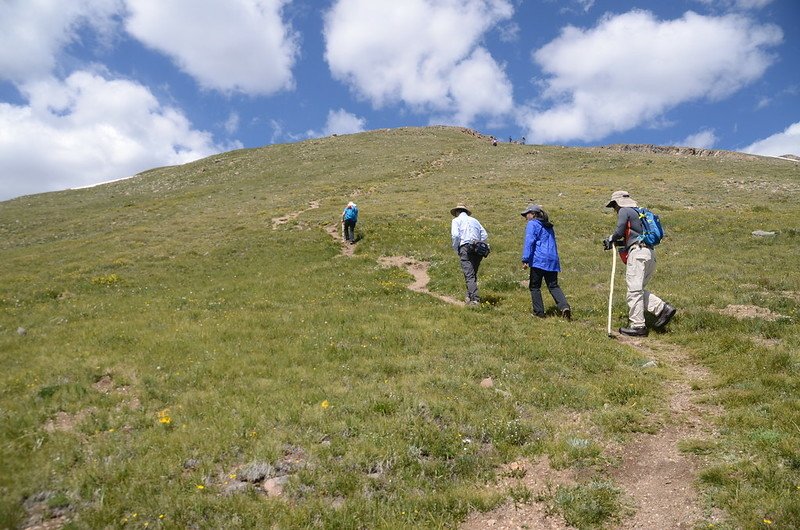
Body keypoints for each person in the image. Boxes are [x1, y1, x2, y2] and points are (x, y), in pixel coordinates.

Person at [603, 191, 676, 336]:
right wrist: (616, 242)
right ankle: (662, 309)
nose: (614, 210)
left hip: (637, 254)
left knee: (634, 291)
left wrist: (611, 238)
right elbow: (631, 237)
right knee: (637, 290)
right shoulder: (638, 213)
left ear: (617, 203)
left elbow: (620, 229)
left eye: (613, 206)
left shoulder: (624, 210)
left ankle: (638, 326)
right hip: (649, 253)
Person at [520, 204, 571, 320]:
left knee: (534, 286)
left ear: (533, 214)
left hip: (539, 259)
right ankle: (564, 306)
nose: (525, 217)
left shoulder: (532, 224)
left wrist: (525, 259)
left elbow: (529, 241)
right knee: (553, 285)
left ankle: (539, 313)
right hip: (552, 260)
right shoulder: (548, 226)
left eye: (526, 214)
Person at [450, 203, 488, 305]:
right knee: (473, 273)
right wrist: (478, 242)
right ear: (466, 212)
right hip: (477, 248)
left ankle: (475, 299)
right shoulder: (475, 221)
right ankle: (469, 296)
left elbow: (455, 235)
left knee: (469, 274)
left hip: (465, 247)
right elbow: (484, 234)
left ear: (457, 212)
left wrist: (456, 248)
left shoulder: (456, 220)